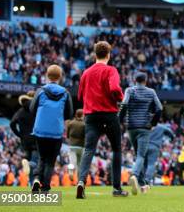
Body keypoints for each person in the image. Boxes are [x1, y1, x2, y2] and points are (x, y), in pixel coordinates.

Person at [76, 41, 127, 198]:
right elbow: (114, 88)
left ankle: (81, 181)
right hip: (109, 114)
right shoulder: (111, 70)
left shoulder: (86, 73)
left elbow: (79, 95)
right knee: (116, 149)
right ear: (109, 54)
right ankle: (117, 188)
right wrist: (121, 98)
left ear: (95, 54)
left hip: (91, 115)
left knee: (89, 149)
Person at [29, 65, 73, 193]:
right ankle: (45, 188)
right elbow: (69, 114)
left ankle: (36, 179)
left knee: (42, 157)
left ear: (47, 76)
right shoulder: (65, 92)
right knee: (50, 161)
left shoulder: (40, 91)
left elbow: (32, 109)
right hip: (56, 132)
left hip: (40, 130)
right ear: (60, 77)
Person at [119, 71, 163, 195]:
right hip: (144, 127)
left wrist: (119, 120)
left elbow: (124, 104)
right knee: (141, 156)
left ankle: (143, 185)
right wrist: (153, 123)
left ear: (135, 80)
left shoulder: (129, 90)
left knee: (139, 155)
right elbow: (159, 108)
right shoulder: (151, 92)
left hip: (132, 127)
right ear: (145, 80)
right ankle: (134, 175)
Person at [10, 91, 37, 184]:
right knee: (35, 162)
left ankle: (31, 182)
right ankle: (34, 182)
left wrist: (19, 134)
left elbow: (12, 123)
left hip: (24, 139)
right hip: (35, 138)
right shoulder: (36, 110)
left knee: (27, 160)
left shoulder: (20, 110)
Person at [143, 123, 175, 189]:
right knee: (151, 164)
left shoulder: (146, 125)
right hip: (154, 147)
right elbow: (170, 132)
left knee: (144, 164)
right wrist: (172, 138)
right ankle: (147, 181)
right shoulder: (161, 127)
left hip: (144, 146)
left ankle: (142, 181)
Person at [66, 109, 85, 176]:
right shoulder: (84, 124)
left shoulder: (71, 123)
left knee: (72, 161)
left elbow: (67, 134)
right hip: (81, 145)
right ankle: (79, 178)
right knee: (80, 163)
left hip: (72, 145)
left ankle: (71, 172)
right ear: (82, 115)